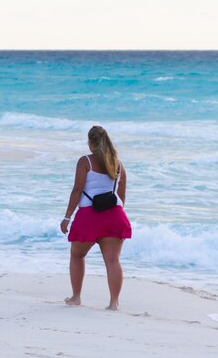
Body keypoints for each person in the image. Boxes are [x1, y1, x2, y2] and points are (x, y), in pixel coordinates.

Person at [60, 125, 132, 310]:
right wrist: (113, 213)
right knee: (113, 261)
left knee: (77, 255)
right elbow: (122, 196)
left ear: (91, 143)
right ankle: (114, 303)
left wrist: (67, 217)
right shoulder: (117, 163)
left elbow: (77, 191)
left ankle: (76, 297)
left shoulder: (85, 161)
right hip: (115, 215)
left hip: (88, 216)